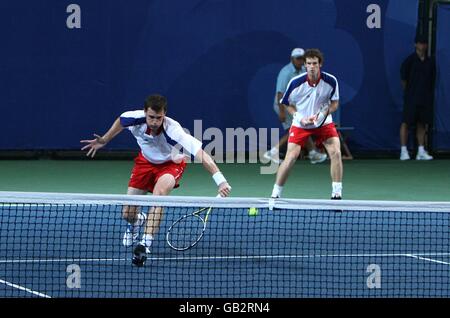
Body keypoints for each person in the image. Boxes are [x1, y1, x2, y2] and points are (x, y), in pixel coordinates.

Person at [80, 94, 231, 266]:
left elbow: (201, 155)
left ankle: (145, 243)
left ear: (164, 114)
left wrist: (221, 181)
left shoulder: (174, 131)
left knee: (159, 195)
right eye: (151, 117)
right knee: (127, 213)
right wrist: (105, 139)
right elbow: (121, 121)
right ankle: (137, 222)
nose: (154, 122)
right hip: (145, 162)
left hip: (171, 163)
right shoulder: (134, 118)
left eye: (158, 118)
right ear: (145, 112)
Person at [270, 49, 343, 200]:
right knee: (291, 157)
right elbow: (286, 103)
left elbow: (335, 103)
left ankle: (337, 194)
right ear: (305, 64)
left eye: (314, 63)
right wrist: (299, 117)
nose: (311, 67)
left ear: (320, 64)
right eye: (308, 63)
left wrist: (324, 113)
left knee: (336, 152)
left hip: (323, 123)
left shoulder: (331, 81)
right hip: (301, 123)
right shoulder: (296, 83)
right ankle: (275, 194)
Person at [264, 48, 327, 165]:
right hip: (283, 104)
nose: (300, 61)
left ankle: (312, 153)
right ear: (292, 59)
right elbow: (280, 94)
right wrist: (282, 112)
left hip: (295, 105)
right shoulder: (286, 73)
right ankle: (274, 151)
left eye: (302, 59)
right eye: (298, 59)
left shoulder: (304, 69)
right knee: (299, 128)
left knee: (301, 127)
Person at [399, 34, 435, 161]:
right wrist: (409, 93)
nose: (422, 45)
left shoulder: (430, 62)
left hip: (425, 99)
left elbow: (432, 80)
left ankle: (421, 151)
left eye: (424, 43)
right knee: (406, 123)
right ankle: (403, 151)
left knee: (422, 123)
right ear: (415, 45)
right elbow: (403, 79)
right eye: (420, 43)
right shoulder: (409, 61)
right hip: (411, 98)